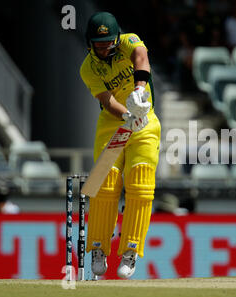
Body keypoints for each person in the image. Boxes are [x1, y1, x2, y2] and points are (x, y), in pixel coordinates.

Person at [79, 12, 161, 279]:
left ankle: (131, 249)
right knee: (106, 182)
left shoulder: (128, 41)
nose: (103, 49)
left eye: (108, 43)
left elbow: (141, 56)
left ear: (117, 37)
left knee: (141, 179)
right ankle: (99, 247)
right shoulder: (87, 68)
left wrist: (139, 90)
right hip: (113, 123)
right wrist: (127, 116)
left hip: (145, 121)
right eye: (98, 44)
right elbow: (106, 99)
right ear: (89, 43)